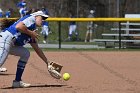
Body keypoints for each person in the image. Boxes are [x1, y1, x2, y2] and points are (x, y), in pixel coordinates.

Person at [0, 10, 58, 88]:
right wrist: (31, 33)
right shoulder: (31, 18)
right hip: (6, 39)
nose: (43, 20)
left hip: (10, 43)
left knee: (25, 53)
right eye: (42, 18)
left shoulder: (32, 30)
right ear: (36, 16)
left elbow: (37, 49)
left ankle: (17, 81)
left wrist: (47, 63)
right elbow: (19, 26)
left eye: (45, 19)